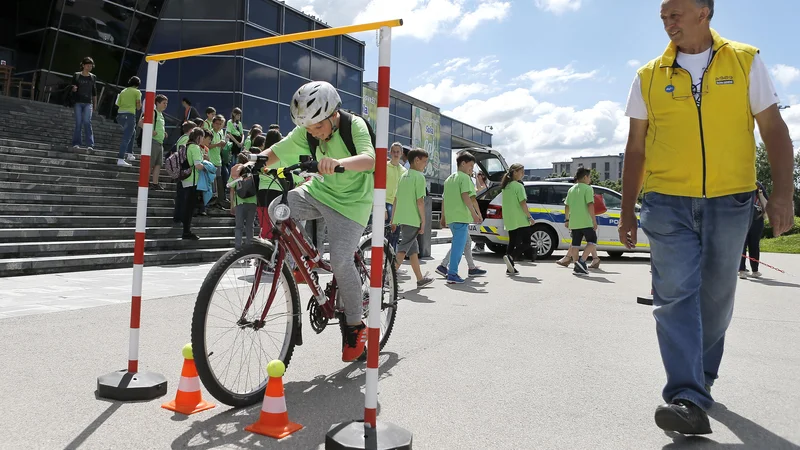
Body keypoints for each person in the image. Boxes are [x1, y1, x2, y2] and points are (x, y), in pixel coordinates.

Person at [618, 0, 795, 435]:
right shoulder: (648, 76)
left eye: (675, 13)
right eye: (663, 16)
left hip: (729, 200)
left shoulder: (746, 60)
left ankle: (702, 379)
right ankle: (685, 395)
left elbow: (774, 129)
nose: (667, 22)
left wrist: (783, 195)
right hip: (666, 201)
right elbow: (636, 148)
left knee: (716, 299)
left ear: (703, 11)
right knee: (675, 295)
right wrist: (626, 209)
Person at [257, 81, 375, 362]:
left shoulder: (354, 125)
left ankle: (355, 326)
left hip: (352, 204)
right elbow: (279, 150)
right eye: (309, 129)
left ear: (334, 114)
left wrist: (338, 162)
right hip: (319, 191)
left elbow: (370, 159)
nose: (314, 133)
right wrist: (253, 163)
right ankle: (306, 258)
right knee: (279, 207)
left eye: (318, 127)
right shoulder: (307, 131)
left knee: (341, 261)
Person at [391, 148, 434, 288]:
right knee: (403, 249)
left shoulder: (403, 176)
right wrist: (423, 221)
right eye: (425, 161)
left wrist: (393, 219)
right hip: (412, 218)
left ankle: (420, 279)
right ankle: (386, 278)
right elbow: (420, 201)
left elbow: (395, 199)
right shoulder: (419, 177)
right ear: (417, 160)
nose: (425, 165)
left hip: (402, 217)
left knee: (413, 250)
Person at [439, 152, 483, 284]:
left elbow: (444, 199)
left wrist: (443, 216)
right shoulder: (464, 178)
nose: (472, 169)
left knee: (458, 245)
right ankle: (452, 273)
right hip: (461, 217)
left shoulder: (449, 179)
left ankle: (448, 269)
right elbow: (468, 197)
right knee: (458, 248)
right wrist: (475, 214)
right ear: (463, 163)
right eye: (470, 166)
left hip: (452, 218)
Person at [501, 163, 536, 276]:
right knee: (526, 242)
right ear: (515, 172)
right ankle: (510, 257)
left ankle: (510, 267)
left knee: (512, 242)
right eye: (521, 172)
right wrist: (530, 217)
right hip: (520, 218)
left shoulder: (506, 186)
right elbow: (523, 203)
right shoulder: (518, 186)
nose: (523, 174)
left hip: (510, 218)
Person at [563, 168, 597, 275]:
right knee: (592, 241)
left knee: (575, 244)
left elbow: (567, 206)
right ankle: (582, 261)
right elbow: (590, 205)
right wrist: (594, 220)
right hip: (585, 221)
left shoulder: (571, 189)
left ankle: (576, 265)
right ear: (585, 177)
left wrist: (567, 219)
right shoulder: (588, 189)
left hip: (574, 221)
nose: (590, 179)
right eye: (589, 177)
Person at [254, 130, 285, 240]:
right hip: (277, 192)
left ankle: (261, 252)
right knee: (278, 227)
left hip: (262, 192)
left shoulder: (262, 156)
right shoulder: (281, 156)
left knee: (264, 225)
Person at [181, 127, 207, 240]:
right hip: (193, 180)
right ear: (199, 137)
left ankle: (186, 230)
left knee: (187, 206)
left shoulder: (187, 146)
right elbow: (198, 165)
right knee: (190, 208)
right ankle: (186, 231)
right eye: (202, 137)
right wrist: (207, 168)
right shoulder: (195, 147)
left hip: (185, 180)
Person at [739, 181, 769, 278]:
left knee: (754, 245)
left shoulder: (758, 185)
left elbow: (766, 200)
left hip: (757, 219)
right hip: (742, 219)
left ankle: (755, 270)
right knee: (742, 245)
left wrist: (759, 191)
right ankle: (742, 270)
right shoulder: (737, 184)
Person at [229, 151, 257, 250]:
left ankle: (238, 249)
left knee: (239, 227)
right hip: (253, 202)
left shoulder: (236, 171)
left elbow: (232, 188)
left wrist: (231, 205)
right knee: (250, 226)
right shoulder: (253, 170)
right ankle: (249, 249)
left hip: (240, 202)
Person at [70, 57, 97, 150]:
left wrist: (95, 104)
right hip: (78, 101)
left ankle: (90, 144)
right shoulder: (77, 75)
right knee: (78, 123)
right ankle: (76, 143)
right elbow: (72, 86)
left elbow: (94, 92)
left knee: (87, 122)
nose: (90, 67)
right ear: (83, 65)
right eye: (88, 65)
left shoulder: (93, 77)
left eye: (91, 66)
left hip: (88, 103)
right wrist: (73, 88)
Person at [172, 121, 196, 226]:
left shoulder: (181, 138)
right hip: (184, 171)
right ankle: (180, 217)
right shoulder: (186, 139)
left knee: (181, 195)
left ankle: (178, 217)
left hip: (181, 170)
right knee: (183, 196)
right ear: (191, 130)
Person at [115, 76, 141, 167]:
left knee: (132, 132)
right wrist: (138, 106)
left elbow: (117, 103)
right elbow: (138, 105)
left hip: (120, 115)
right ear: (137, 84)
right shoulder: (137, 92)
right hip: (130, 115)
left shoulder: (123, 91)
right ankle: (121, 159)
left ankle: (130, 154)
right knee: (126, 137)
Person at [385, 142, 407, 251]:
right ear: (390, 153)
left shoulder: (404, 171)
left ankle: (391, 262)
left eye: (398, 152)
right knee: (389, 233)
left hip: (398, 205)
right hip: (386, 203)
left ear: (401, 153)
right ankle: (387, 261)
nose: (395, 154)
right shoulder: (384, 167)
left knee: (395, 235)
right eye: (393, 151)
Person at [149, 94, 168, 190]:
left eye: (166, 103)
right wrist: (150, 131)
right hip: (153, 142)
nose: (166, 105)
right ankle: (146, 182)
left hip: (160, 142)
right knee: (150, 163)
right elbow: (141, 122)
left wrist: (163, 133)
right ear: (157, 103)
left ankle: (155, 183)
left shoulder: (161, 115)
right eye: (164, 103)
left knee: (158, 164)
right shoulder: (153, 112)